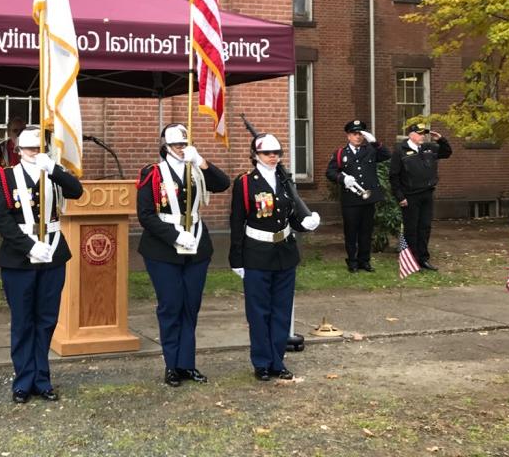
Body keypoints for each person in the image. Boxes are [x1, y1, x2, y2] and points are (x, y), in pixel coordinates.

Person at [0, 126, 83, 404]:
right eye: (28, 149)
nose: (33, 153)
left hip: (53, 253)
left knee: (46, 320)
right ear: (18, 151)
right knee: (23, 321)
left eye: (38, 148)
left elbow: (77, 191)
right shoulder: (5, 178)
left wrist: (53, 168)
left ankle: (42, 379)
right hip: (19, 257)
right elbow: (2, 218)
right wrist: (29, 245)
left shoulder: (52, 173)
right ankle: (23, 380)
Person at [136, 123, 230, 387]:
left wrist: (200, 160)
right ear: (165, 146)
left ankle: (187, 363)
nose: (181, 149)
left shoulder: (194, 169)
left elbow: (222, 184)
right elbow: (145, 215)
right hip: (163, 249)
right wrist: (174, 235)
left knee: (191, 305)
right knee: (171, 306)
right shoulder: (152, 173)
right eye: (176, 145)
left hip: (197, 245)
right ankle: (171, 365)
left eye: (184, 144)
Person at [229, 132, 320, 381]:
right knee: (259, 313)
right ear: (255, 155)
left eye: (277, 153)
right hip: (256, 254)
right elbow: (236, 222)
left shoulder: (285, 180)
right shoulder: (245, 182)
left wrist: (306, 223)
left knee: (281, 311)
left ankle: (277, 361)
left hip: (285, 254)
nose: (273, 157)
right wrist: (236, 259)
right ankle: (261, 362)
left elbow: (290, 216)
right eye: (267, 153)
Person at [325, 119, 391, 273]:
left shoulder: (370, 150)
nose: (358, 137)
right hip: (351, 199)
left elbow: (386, 155)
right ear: (348, 136)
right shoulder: (341, 153)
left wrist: (374, 142)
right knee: (351, 231)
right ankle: (352, 262)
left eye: (360, 134)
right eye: (355, 134)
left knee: (366, 231)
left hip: (368, 198)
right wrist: (343, 179)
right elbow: (330, 172)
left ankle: (365, 261)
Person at [389, 123, 452, 271]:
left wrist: (441, 140)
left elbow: (447, 153)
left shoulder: (428, 147)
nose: (422, 136)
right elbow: (394, 176)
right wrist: (400, 196)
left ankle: (423, 259)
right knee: (411, 228)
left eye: (424, 133)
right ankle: (412, 260)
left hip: (427, 193)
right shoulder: (400, 151)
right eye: (419, 133)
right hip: (410, 196)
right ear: (411, 135)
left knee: (424, 227)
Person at [0, 116, 26, 206]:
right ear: (8, 133)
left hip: (27, 198)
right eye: (15, 131)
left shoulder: (33, 150)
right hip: (6, 199)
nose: (19, 134)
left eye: (22, 130)